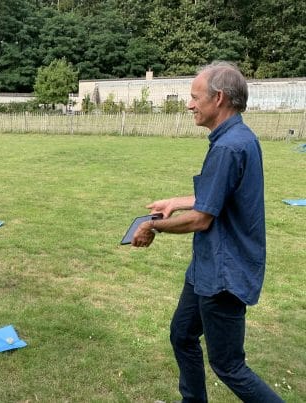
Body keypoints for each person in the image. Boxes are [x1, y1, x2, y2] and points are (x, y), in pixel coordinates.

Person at [131, 62, 284, 402]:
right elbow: (217, 194)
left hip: (224, 272)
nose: (189, 105)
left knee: (229, 365)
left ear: (218, 98)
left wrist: (151, 226)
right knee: (182, 335)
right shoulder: (237, 138)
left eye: (195, 97)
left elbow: (202, 219)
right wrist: (176, 201)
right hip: (208, 266)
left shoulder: (230, 147)